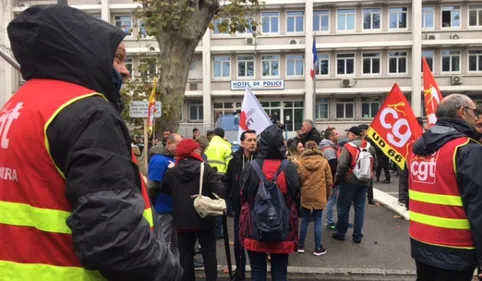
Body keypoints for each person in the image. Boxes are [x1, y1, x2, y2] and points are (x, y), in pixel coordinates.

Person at [0, 5, 182, 280]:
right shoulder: (90, 113)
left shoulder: (16, 106)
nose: (125, 72)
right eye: (118, 60)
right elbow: (115, 241)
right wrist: (169, 273)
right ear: (86, 54)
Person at [407, 94, 482, 281]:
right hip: (456, 247)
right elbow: (478, 208)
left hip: (420, 241)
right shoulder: (467, 149)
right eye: (476, 112)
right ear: (462, 112)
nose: (477, 117)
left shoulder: (416, 149)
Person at [239, 124, 300, 281]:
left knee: (257, 271)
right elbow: (295, 195)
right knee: (280, 271)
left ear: (262, 143)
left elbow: (244, 195)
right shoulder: (289, 168)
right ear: (281, 143)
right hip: (283, 225)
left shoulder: (251, 167)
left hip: (254, 225)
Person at [161, 139, 225, 281]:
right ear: (194, 151)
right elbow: (220, 190)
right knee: (209, 252)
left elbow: (164, 189)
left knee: (185, 254)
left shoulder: (173, 171)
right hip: (204, 217)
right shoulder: (205, 168)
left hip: (181, 219)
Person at [333, 126, 376, 243]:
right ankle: (357, 235)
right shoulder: (369, 146)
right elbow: (375, 163)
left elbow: (342, 165)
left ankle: (341, 233)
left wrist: (338, 179)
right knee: (360, 208)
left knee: (344, 207)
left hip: (349, 180)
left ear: (352, 134)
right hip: (365, 181)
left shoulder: (348, 147)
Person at [224, 130, 257, 281]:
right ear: (242, 143)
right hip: (239, 209)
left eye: (255, 140)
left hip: (257, 210)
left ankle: (257, 273)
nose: (252, 143)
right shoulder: (234, 161)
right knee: (239, 244)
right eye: (249, 140)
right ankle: (240, 272)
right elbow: (228, 183)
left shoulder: (259, 161)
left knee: (256, 243)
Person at [147, 133, 183, 259]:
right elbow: (152, 186)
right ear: (169, 143)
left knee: (174, 244)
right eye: (178, 145)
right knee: (163, 242)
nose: (180, 148)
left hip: (172, 208)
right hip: (162, 208)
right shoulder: (159, 160)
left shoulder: (171, 158)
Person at [297, 141, 332, 256]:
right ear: (317, 148)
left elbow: (298, 180)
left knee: (305, 220)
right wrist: (328, 195)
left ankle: (301, 245)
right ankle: (317, 247)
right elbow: (329, 181)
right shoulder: (324, 162)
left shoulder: (301, 162)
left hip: (306, 194)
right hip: (319, 194)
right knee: (317, 220)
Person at [319, 128, 339, 230]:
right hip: (332, 179)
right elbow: (333, 166)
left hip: (329, 178)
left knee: (332, 200)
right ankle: (330, 221)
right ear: (331, 136)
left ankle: (330, 221)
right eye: (336, 134)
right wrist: (335, 180)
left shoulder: (326, 147)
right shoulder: (329, 150)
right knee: (332, 201)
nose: (338, 135)